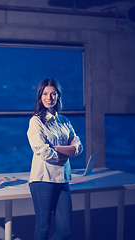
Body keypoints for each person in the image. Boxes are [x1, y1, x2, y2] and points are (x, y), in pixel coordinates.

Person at [27, 78, 83, 240]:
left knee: (66, 230)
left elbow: (78, 147)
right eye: (45, 94)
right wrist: (69, 151)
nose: (49, 98)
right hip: (43, 180)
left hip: (63, 179)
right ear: (40, 96)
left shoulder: (64, 121)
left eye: (53, 94)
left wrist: (59, 149)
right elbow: (43, 152)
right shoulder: (36, 122)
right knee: (43, 228)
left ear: (58, 96)